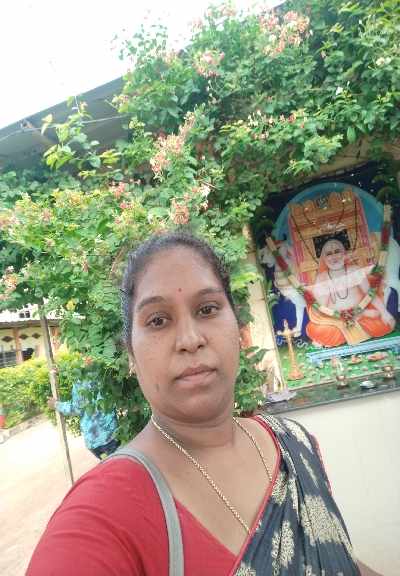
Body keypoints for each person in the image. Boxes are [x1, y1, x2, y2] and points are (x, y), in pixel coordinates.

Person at [29, 232, 380, 575]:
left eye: (207, 309)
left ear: (239, 330)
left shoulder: (295, 444)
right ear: (131, 354)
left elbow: (339, 558)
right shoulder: (104, 512)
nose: (190, 339)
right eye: (158, 320)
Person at [306, 238, 394, 347]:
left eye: (337, 251)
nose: (334, 256)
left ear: (344, 254)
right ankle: (335, 335)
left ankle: (339, 335)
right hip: (336, 320)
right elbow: (321, 307)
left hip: (360, 315)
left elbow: (371, 294)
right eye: (329, 254)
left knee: (382, 323)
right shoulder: (321, 278)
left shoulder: (354, 270)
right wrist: (340, 316)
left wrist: (384, 312)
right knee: (317, 330)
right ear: (324, 258)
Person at [47, 380, 120, 460]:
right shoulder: (102, 374)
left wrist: (57, 405)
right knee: (118, 462)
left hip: (98, 441)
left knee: (112, 464)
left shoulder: (80, 381)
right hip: (111, 434)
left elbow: (76, 409)